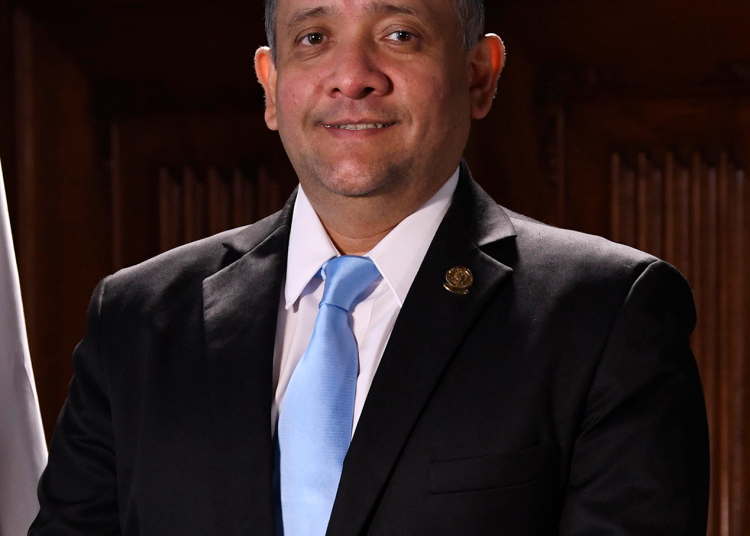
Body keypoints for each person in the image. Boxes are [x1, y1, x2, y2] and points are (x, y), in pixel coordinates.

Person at [30, 0, 709, 534]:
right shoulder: (137, 319)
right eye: (314, 38)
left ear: (479, 74)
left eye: (400, 35)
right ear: (271, 85)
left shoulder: (606, 314)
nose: (352, 76)